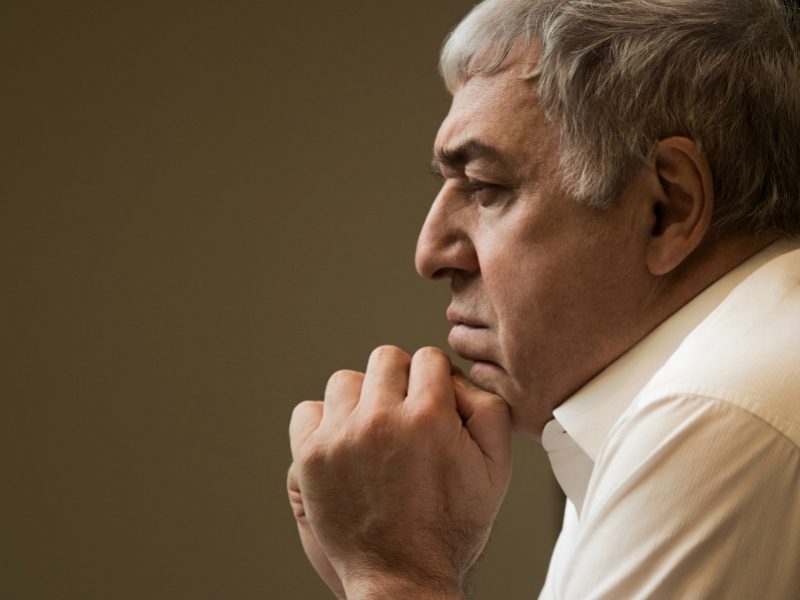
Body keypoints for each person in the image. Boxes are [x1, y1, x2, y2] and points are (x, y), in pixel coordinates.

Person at [288, 0, 800, 597]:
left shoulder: (710, 409)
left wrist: (393, 571)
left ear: (667, 207)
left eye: (484, 187)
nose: (430, 254)